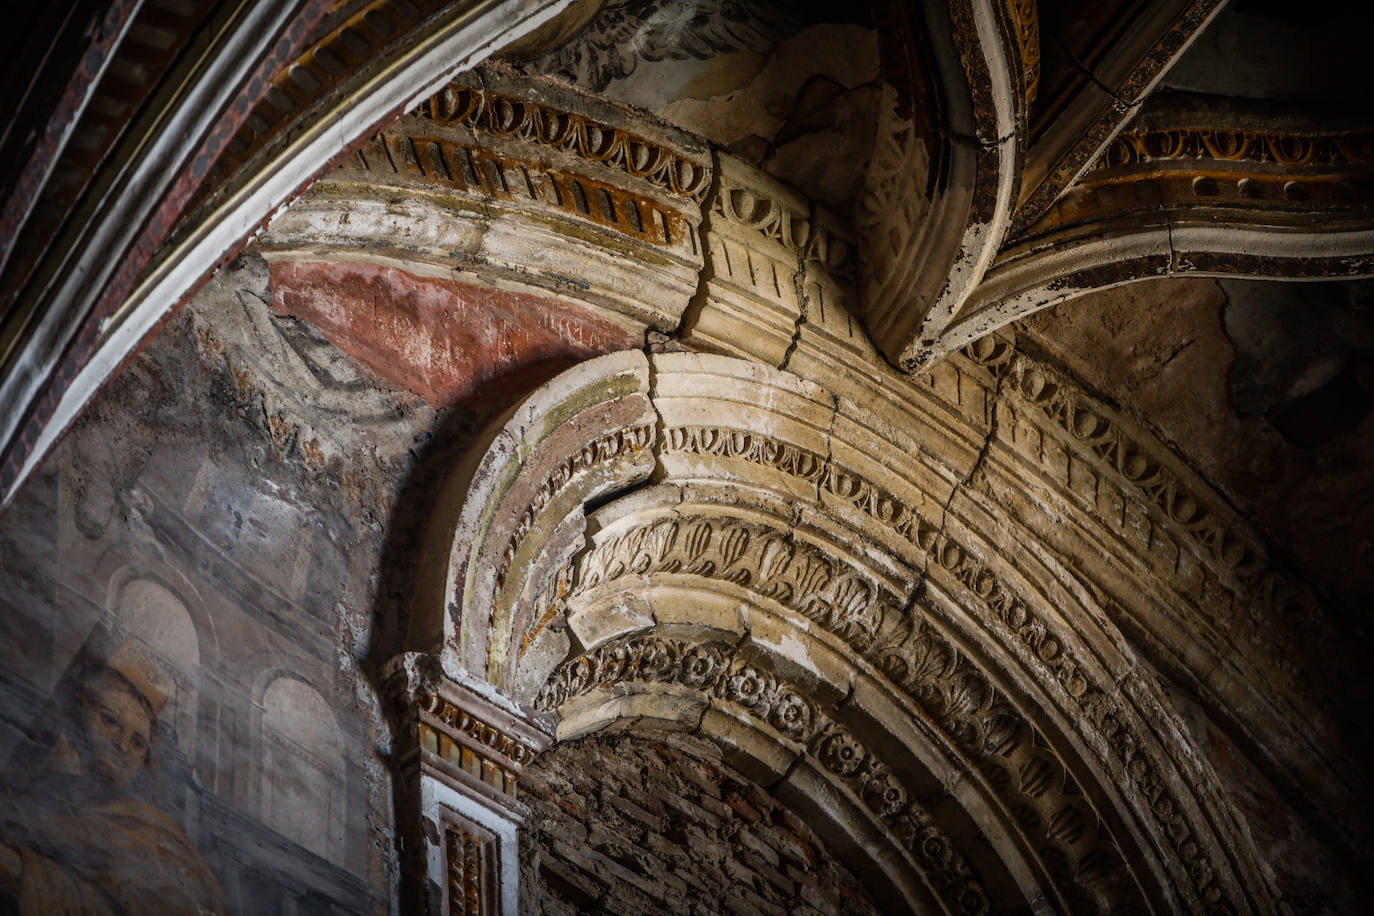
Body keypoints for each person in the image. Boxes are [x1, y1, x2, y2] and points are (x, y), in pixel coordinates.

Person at [0, 639, 226, 914]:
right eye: (110, 721)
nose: (122, 747)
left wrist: (20, 870)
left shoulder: (155, 836)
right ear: (77, 720)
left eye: (138, 742)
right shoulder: (36, 793)